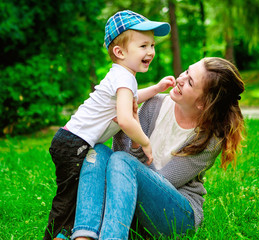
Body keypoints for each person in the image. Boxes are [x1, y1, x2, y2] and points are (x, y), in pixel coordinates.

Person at [71, 57, 245, 240]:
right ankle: (84, 236)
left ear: (202, 102)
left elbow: (161, 181)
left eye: (190, 82)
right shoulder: (154, 104)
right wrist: (123, 124)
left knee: (123, 161)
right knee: (97, 152)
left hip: (176, 214)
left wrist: (137, 143)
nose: (180, 79)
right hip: (135, 203)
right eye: (186, 71)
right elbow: (120, 158)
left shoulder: (209, 140)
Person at [44, 10, 173, 240]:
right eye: (143, 46)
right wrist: (144, 141)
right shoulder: (124, 78)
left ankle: (70, 233)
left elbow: (131, 98)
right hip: (74, 144)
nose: (151, 51)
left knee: (78, 196)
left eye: (152, 45)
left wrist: (155, 89)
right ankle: (56, 235)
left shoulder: (123, 76)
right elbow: (125, 119)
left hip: (72, 141)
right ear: (119, 51)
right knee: (69, 199)